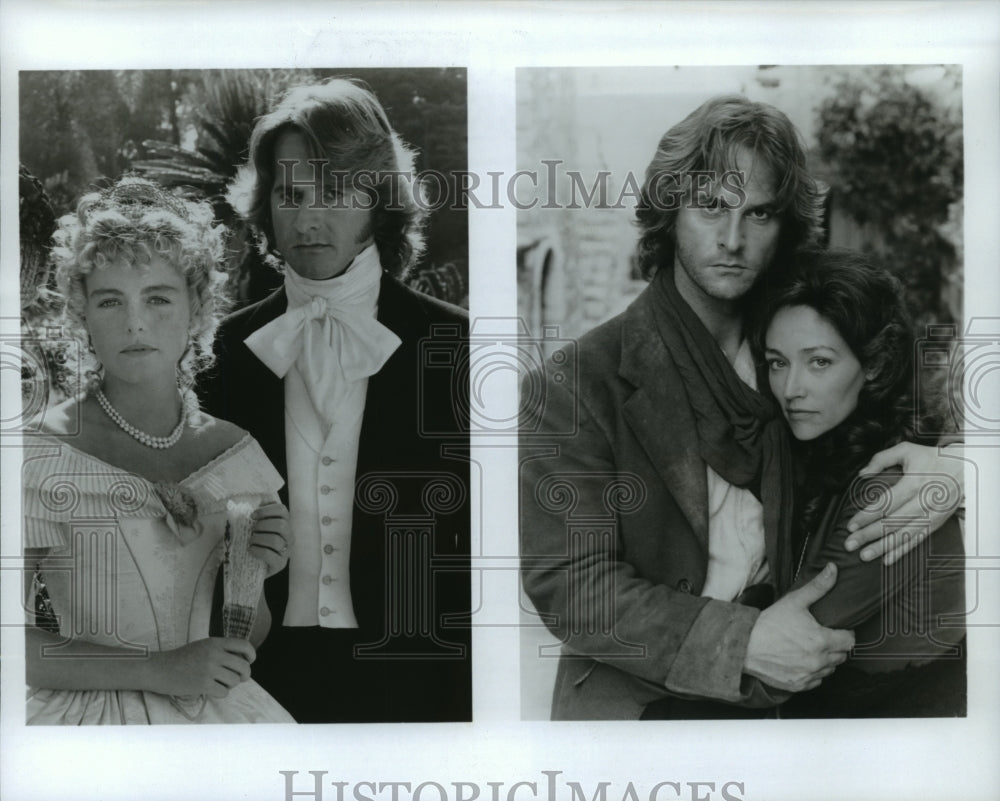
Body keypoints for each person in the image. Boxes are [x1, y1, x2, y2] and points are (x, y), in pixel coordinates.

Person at [519, 94, 965, 720]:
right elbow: (572, 587)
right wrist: (741, 642)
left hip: (797, 701)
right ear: (669, 212)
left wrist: (959, 464)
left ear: (785, 227)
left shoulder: (796, 339)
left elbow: (894, 410)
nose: (733, 240)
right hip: (643, 712)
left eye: (759, 213)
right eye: (711, 207)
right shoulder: (574, 384)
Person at [201, 77, 471, 723]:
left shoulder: (456, 343)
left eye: (334, 192)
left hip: (420, 680)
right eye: (290, 195)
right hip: (260, 681)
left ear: (378, 200)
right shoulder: (224, 349)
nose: (308, 219)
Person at [23, 176, 294, 724]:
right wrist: (158, 669)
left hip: (217, 718)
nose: (135, 322)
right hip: (85, 723)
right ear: (82, 316)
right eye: (110, 301)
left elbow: (246, 638)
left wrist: (258, 569)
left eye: (158, 298)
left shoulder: (235, 453)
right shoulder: (40, 452)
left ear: (197, 310)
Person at [754, 248, 965, 717]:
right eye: (777, 362)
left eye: (819, 362)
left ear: (875, 365)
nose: (791, 389)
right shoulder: (831, 450)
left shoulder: (888, 488)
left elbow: (790, 636)